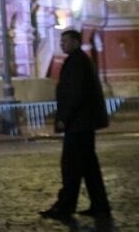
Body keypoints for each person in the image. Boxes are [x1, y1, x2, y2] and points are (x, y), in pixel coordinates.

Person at [41, 29, 111, 221]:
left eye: (65, 41)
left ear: (76, 42)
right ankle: (100, 205)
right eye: (61, 41)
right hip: (84, 122)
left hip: (78, 124)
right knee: (89, 166)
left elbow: (74, 94)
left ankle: (66, 206)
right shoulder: (80, 60)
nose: (61, 44)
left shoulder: (76, 62)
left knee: (71, 166)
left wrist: (64, 118)